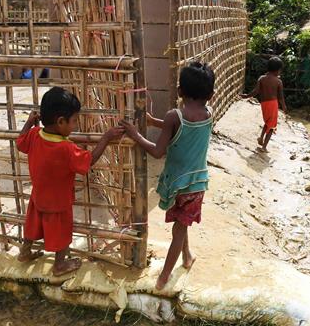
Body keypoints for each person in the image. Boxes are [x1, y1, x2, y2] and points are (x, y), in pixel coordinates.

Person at [120, 62, 215, 290]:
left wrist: (135, 135)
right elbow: (185, 129)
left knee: (178, 229)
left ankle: (164, 276)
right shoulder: (209, 113)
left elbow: (157, 151)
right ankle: (187, 257)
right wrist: (155, 122)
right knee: (182, 224)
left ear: (180, 91)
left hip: (177, 184)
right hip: (197, 183)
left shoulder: (175, 115)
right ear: (211, 94)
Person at [16, 87, 124, 275]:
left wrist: (28, 123)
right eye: (74, 121)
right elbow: (89, 161)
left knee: (32, 226)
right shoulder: (66, 148)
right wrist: (106, 138)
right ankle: (59, 265)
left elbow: (20, 142)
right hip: (59, 202)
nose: (75, 126)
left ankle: (25, 252)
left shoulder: (34, 135)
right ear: (60, 121)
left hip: (38, 196)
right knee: (62, 234)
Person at [240, 56, 287, 151]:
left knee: (267, 122)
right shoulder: (278, 81)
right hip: (273, 104)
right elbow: (280, 97)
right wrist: (284, 106)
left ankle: (261, 138)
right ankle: (264, 147)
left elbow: (256, 91)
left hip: (264, 104)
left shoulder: (261, 78)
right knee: (272, 126)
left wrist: (246, 96)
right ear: (278, 70)